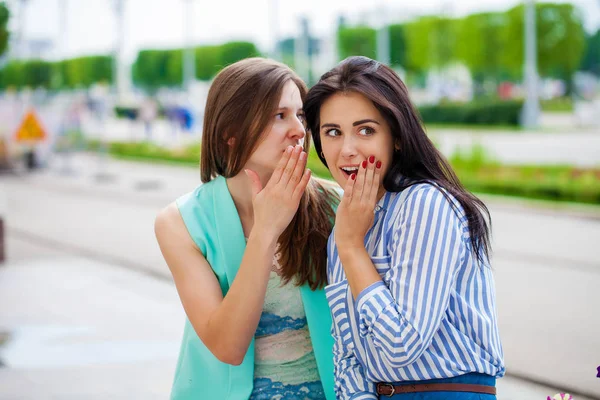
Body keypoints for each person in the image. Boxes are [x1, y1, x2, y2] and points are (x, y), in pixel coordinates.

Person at [303, 56, 505, 399]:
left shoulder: (424, 204)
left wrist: (351, 247)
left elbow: (402, 343)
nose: (347, 150)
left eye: (365, 130)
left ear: (396, 137)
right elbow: (349, 356)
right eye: (333, 132)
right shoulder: (346, 223)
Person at [154, 58, 339, 400]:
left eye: (300, 115)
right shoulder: (180, 222)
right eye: (279, 115)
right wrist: (266, 229)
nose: (299, 129)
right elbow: (227, 346)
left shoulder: (334, 205)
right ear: (230, 133)